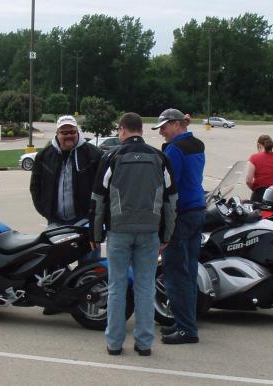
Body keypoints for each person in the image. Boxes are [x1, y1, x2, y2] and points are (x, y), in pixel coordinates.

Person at [89, 112, 177, 357]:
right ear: (140, 129)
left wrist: (95, 233)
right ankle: (144, 343)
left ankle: (115, 343)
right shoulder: (160, 157)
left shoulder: (112, 156)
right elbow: (171, 201)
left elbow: (98, 199)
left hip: (118, 231)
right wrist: (167, 234)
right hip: (150, 232)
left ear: (122, 130)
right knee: (145, 287)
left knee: (116, 287)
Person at [153, 108, 206, 345]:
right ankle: (186, 322)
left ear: (176, 124)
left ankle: (186, 329)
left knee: (175, 273)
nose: (162, 132)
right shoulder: (197, 144)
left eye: (164, 127)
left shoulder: (175, 149)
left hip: (181, 214)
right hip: (197, 210)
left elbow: (167, 185)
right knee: (189, 271)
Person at [29, 115, 103, 233]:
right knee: (58, 252)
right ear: (57, 134)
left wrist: (94, 213)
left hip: (86, 221)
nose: (69, 135)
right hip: (55, 222)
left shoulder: (94, 155)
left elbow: (103, 187)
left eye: (72, 132)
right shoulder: (44, 156)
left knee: (88, 252)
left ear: (77, 132)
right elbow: (35, 187)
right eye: (64, 133)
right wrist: (46, 211)